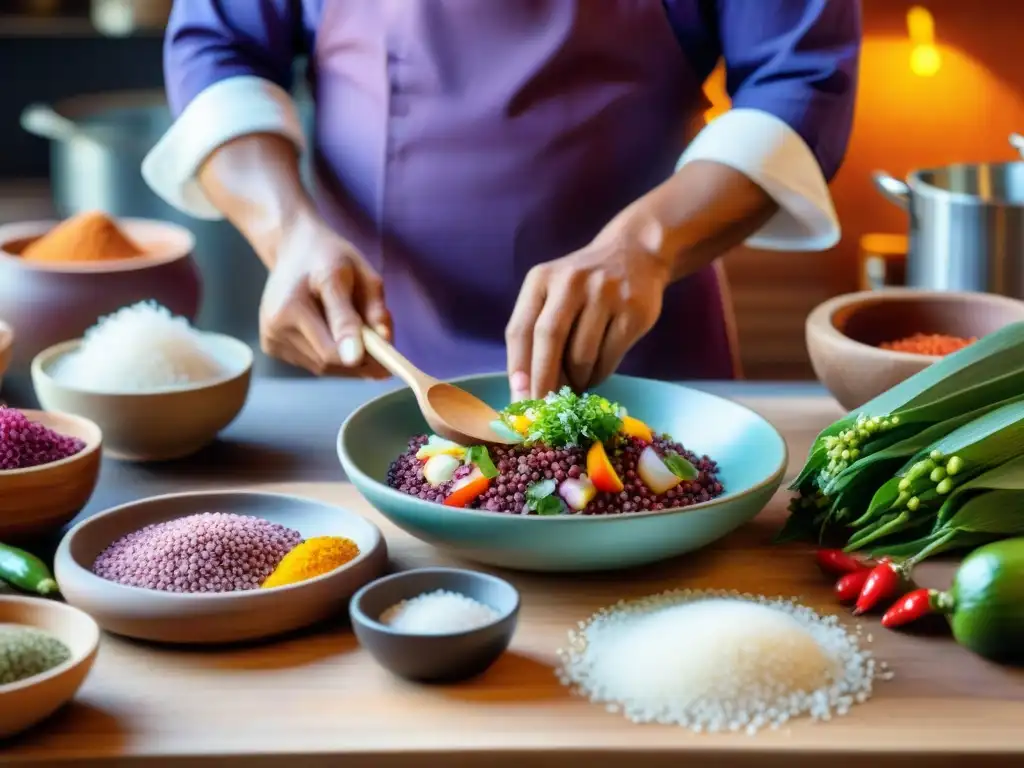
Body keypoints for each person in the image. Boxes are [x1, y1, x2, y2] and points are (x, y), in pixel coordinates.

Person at [143, 0, 860, 400]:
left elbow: (802, 75)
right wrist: (289, 233)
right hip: (371, 355)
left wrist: (646, 245)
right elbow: (219, 46)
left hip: (642, 353)